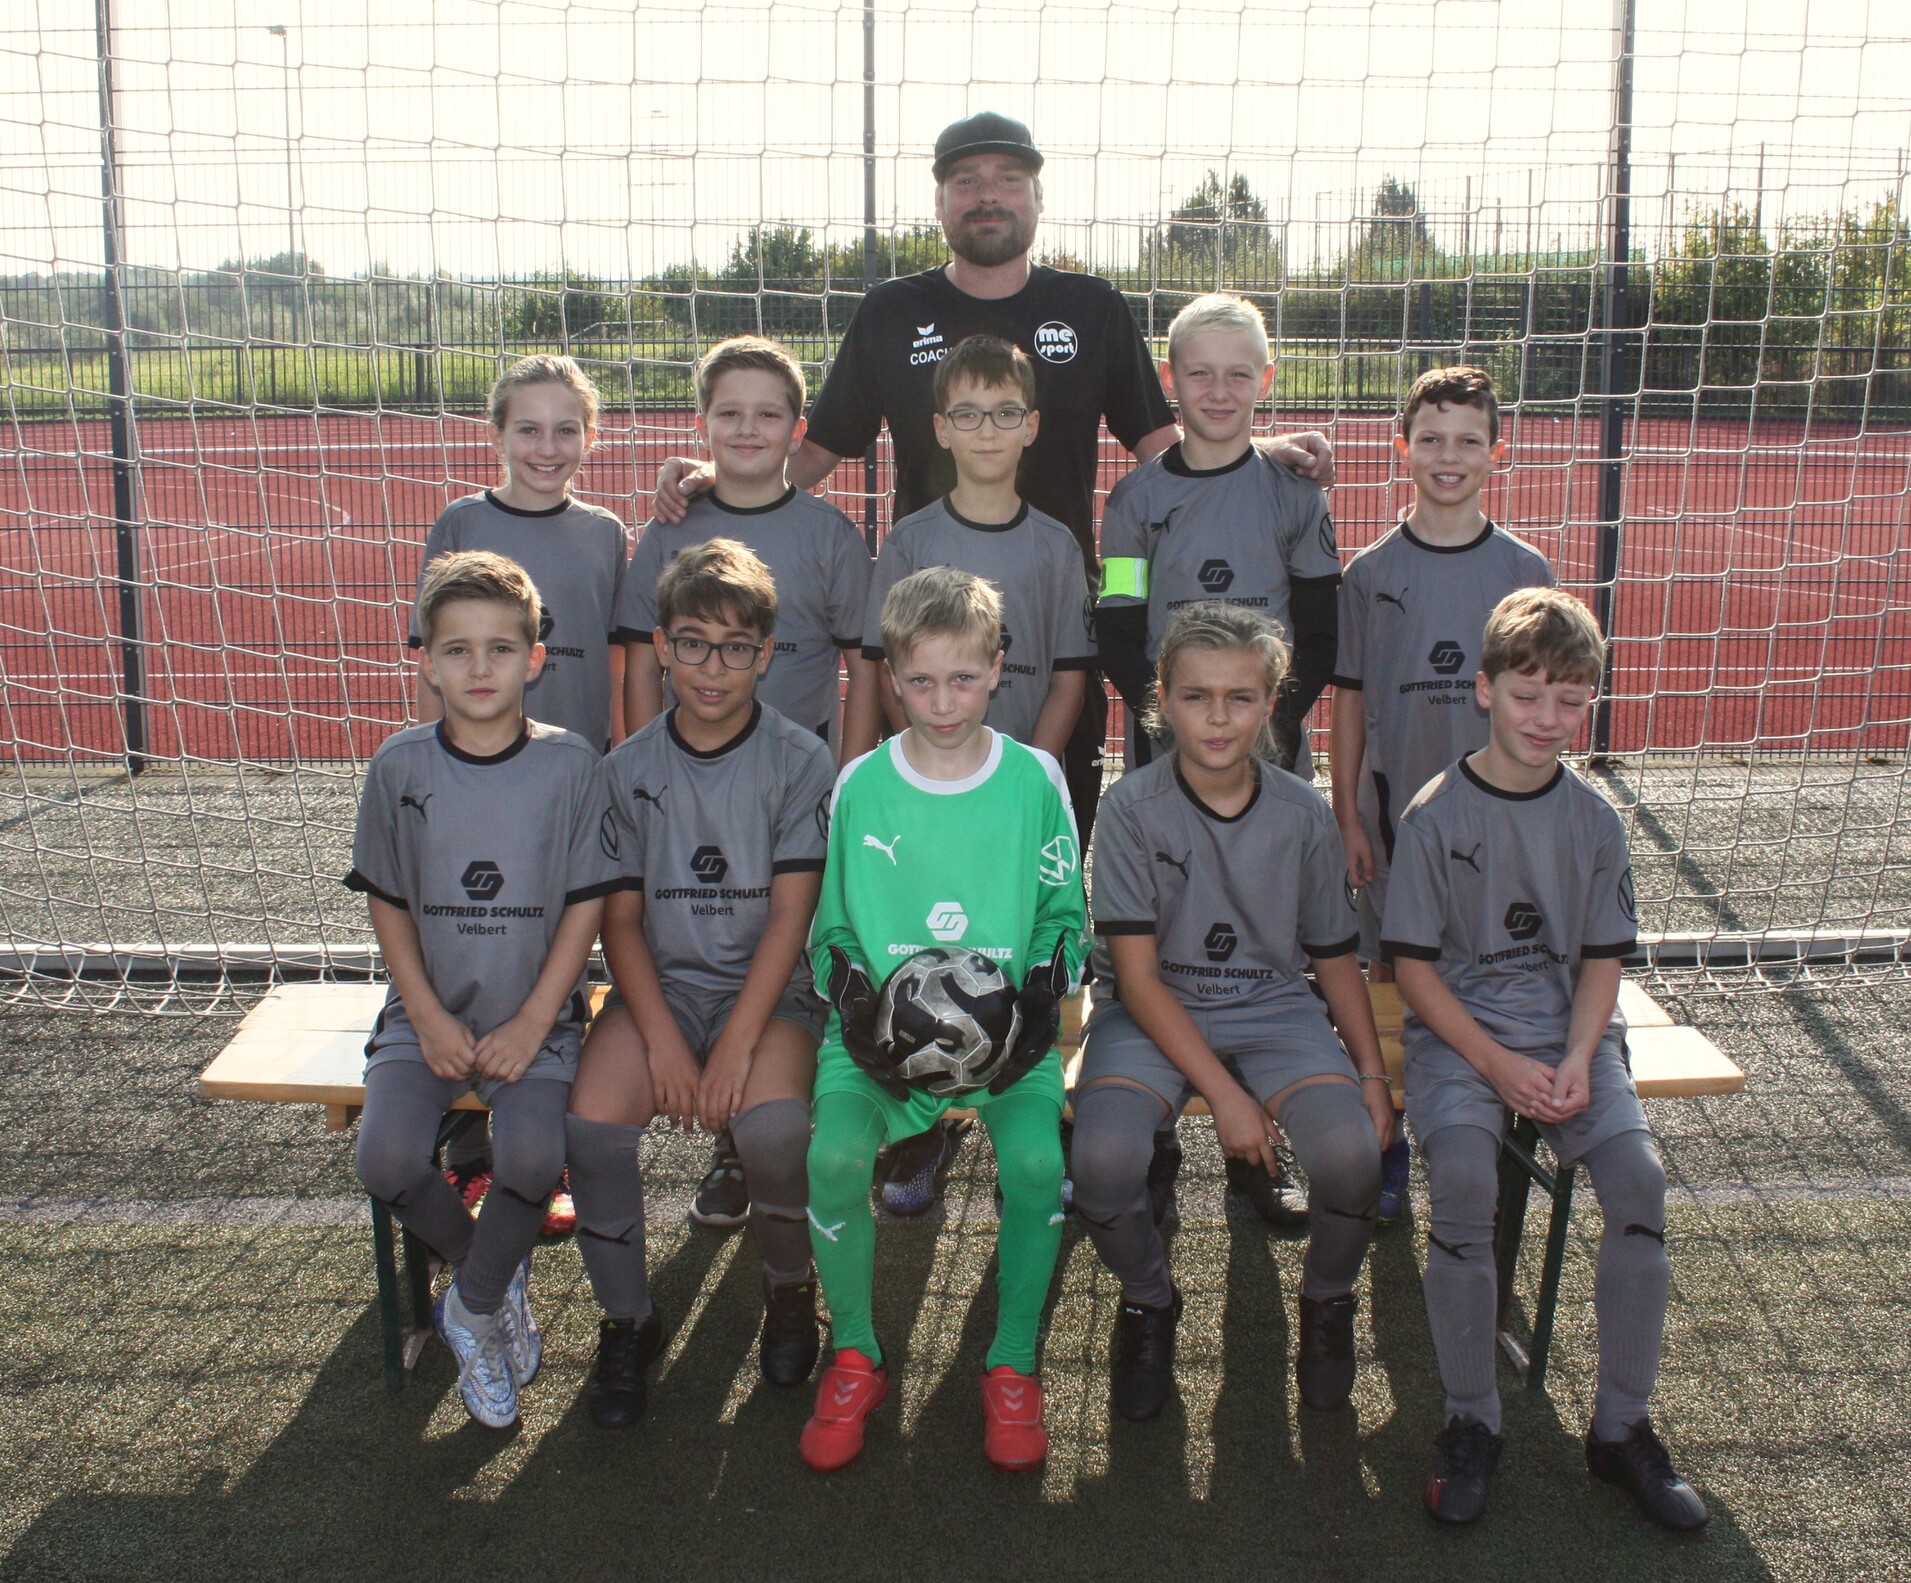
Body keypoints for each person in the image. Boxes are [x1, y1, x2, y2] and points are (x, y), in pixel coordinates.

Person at [657, 111, 1334, 1214]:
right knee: (920, 919)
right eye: (966, 178)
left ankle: (1062, 1105)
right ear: (940, 200)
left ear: (1032, 194)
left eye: (1006, 178)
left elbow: (1169, 449)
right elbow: (817, 445)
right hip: (930, 701)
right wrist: (718, 472)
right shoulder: (891, 314)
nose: (987, 194)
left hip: (1047, 690)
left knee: (1046, 926)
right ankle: (924, 1118)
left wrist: (1267, 454)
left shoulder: (1092, 310)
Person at [1383, 587, 1708, 1531]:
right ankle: (1470, 1419)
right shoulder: (1435, 814)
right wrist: (1493, 1063)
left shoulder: (1594, 819)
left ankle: (1619, 1428)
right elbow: (1411, 969)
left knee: (1639, 1183)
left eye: (1570, 700)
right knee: (1459, 1175)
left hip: (1572, 1038)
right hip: (1461, 1040)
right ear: (1483, 691)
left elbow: (1602, 960)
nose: (1548, 719)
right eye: (1528, 695)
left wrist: (1574, 1054)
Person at [800, 565, 1089, 1473]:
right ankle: (854, 1352)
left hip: (1011, 1047)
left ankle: (1012, 1362)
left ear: (998, 667)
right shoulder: (859, 784)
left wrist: (1033, 998)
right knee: (831, 1156)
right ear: (890, 678)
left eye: (963, 677)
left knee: (1041, 1161)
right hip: (883, 1046)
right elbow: (831, 929)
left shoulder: (1036, 778)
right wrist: (864, 1011)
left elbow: (1065, 916)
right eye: (920, 679)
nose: (942, 698)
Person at [1071, 601, 1390, 1422]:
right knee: (1102, 1160)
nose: (1217, 718)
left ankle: (1325, 1305)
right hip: (1152, 1013)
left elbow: (1331, 958)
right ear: (1162, 700)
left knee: (1352, 1153)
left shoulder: (1302, 814)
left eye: (1239, 697)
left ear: (1272, 698)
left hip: (1271, 1009)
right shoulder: (1131, 807)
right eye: (1195, 696)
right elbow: (1136, 982)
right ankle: (1148, 1300)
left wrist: (1370, 1074)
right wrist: (1225, 1095)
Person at [568, 539, 838, 1427]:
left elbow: (790, 922)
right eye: (690, 642)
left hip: (772, 993)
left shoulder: (800, 761)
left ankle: (790, 1288)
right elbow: (620, 924)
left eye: (733, 646)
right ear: (660, 647)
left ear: (766, 653)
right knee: (593, 1128)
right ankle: (628, 1321)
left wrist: (730, 1046)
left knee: (770, 1128)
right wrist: (661, 1039)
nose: (711, 666)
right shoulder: (627, 769)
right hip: (665, 988)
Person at [348, 550, 617, 1429]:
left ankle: (467, 1303)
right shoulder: (398, 767)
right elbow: (387, 901)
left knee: (536, 1161)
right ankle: (486, 1285)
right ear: (424, 658)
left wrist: (536, 1017)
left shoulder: (572, 765)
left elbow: (585, 905)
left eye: (500, 648)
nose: (478, 667)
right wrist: (423, 1014)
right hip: (425, 1015)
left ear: (535, 657)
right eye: (456, 649)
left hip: (532, 1018)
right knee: (385, 1161)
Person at [614, 336, 877, 1235]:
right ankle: (739, 1139)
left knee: (791, 949)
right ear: (702, 425)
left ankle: (763, 1133)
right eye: (729, 412)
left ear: (796, 429)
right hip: (687, 783)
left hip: (792, 792)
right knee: (700, 936)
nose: (748, 428)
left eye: (768, 413)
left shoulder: (830, 535)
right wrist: (638, 771)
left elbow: (864, 662)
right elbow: (639, 665)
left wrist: (856, 770)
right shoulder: (668, 526)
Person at [853, 332, 1094, 1212]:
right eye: (967, 415)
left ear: (1029, 426)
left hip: (1013, 801)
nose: (986, 430)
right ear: (939, 430)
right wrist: (907, 771)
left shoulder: (1056, 545)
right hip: (926, 796)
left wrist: (1026, 765)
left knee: (1023, 949)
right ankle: (920, 1129)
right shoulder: (911, 539)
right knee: (920, 956)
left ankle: (1033, 1117)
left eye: (1003, 414)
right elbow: (887, 670)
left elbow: (1070, 670)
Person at [1329, 365, 1555, 1227]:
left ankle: (1487, 1146)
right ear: (1402, 448)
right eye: (1430, 438)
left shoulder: (1523, 567)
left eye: (1467, 440)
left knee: (1492, 970)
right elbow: (1349, 697)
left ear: (1495, 454)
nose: (1447, 455)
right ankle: (1389, 1147)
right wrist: (1349, 812)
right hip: (1394, 823)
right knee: (1392, 979)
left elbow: (1540, 700)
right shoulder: (1370, 570)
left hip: (1497, 825)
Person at [410, 354, 632, 1202]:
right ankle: (468, 1136)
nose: (548, 446)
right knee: (473, 926)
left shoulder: (606, 532)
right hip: (470, 776)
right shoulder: (460, 522)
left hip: (572, 782)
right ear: (496, 432)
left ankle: (546, 1135)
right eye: (529, 428)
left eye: (566, 428)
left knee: (562, 946)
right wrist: (427, 767)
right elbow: (425, 659)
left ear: (590, 436)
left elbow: (621, 659)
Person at [1097, 292, 1341, 778]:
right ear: (1169, 378)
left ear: (1265, 380)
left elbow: (1320, 635)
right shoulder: (1131, 502)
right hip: (1165, 751)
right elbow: (1118, 631)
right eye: (1199, 373)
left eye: (1238, 374)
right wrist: (1172, 720)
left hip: (1270, 748)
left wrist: (1275, 717)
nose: (1219, 392)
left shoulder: (1298, 497)